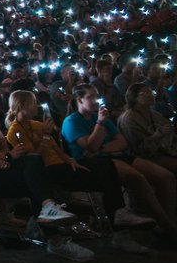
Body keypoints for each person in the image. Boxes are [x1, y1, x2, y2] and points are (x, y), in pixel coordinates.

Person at [0, 77, 89, 261]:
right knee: (35, 182)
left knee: (34, 162)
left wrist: (3, 157)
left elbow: (2, 145)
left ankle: (46, 210)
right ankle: (53, 237)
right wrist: (3, 157)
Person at [7, 89, 149, 255]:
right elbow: (36, 161)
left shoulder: (36, 125)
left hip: (62, 164)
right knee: (102, 175)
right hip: (48, 170)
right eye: (32, 103)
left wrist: (70, 160)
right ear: (23, 105)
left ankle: (119, 217)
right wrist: (45, 136)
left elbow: (57, 150)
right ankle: (116, 225)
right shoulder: (15, 131)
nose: (36, 106)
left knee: (106, 165)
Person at [63, 84, 177, 237]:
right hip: (93, 163)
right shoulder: (72, 122)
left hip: (113, 155)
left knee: (166, 177)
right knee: (138, 178)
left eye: (97, 95)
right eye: (91, 97)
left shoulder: (101, 115)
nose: (96, 100)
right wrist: (99, 124)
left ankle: (169, 217)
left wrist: (101, 147)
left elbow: (122, 142)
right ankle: (166, 225)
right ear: (80, 100)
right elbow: (90, 147)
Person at [118, 82, 177, 174]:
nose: (149, 95)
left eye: (150, 92)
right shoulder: (128, 119)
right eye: (144, 93)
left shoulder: (154, 114)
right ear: (134, 97)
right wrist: (157, 136)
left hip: (163, 151)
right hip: (145, 157)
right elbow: (138, 149)